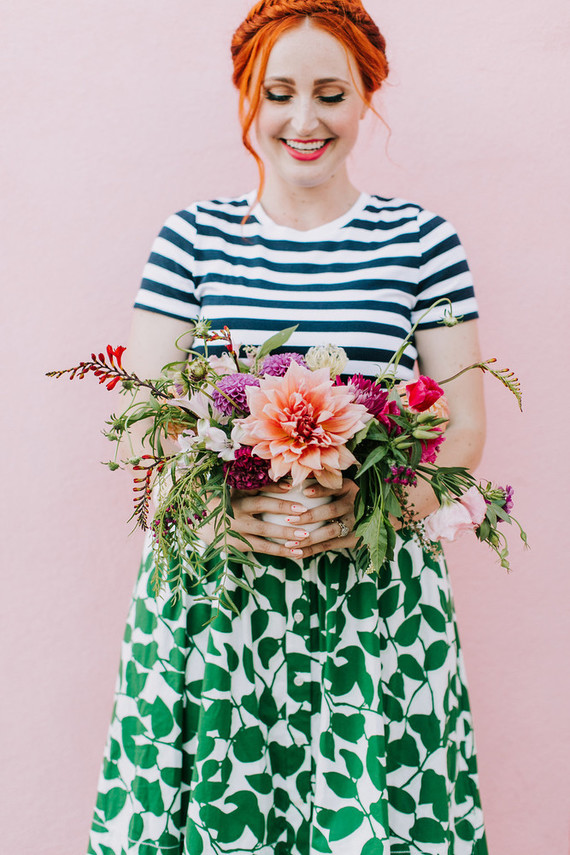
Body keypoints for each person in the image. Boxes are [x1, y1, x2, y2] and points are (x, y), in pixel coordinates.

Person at [87, 2, 489, 853]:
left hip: (375, 600)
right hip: (216, 597)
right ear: (248, 96)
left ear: (366, 97)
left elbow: (463, 427)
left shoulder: (423, 241)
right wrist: (217, 513)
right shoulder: (190, 239)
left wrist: (373, 512)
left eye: (332, 94)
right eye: (278, 93)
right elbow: (142, 426)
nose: (304, 121)